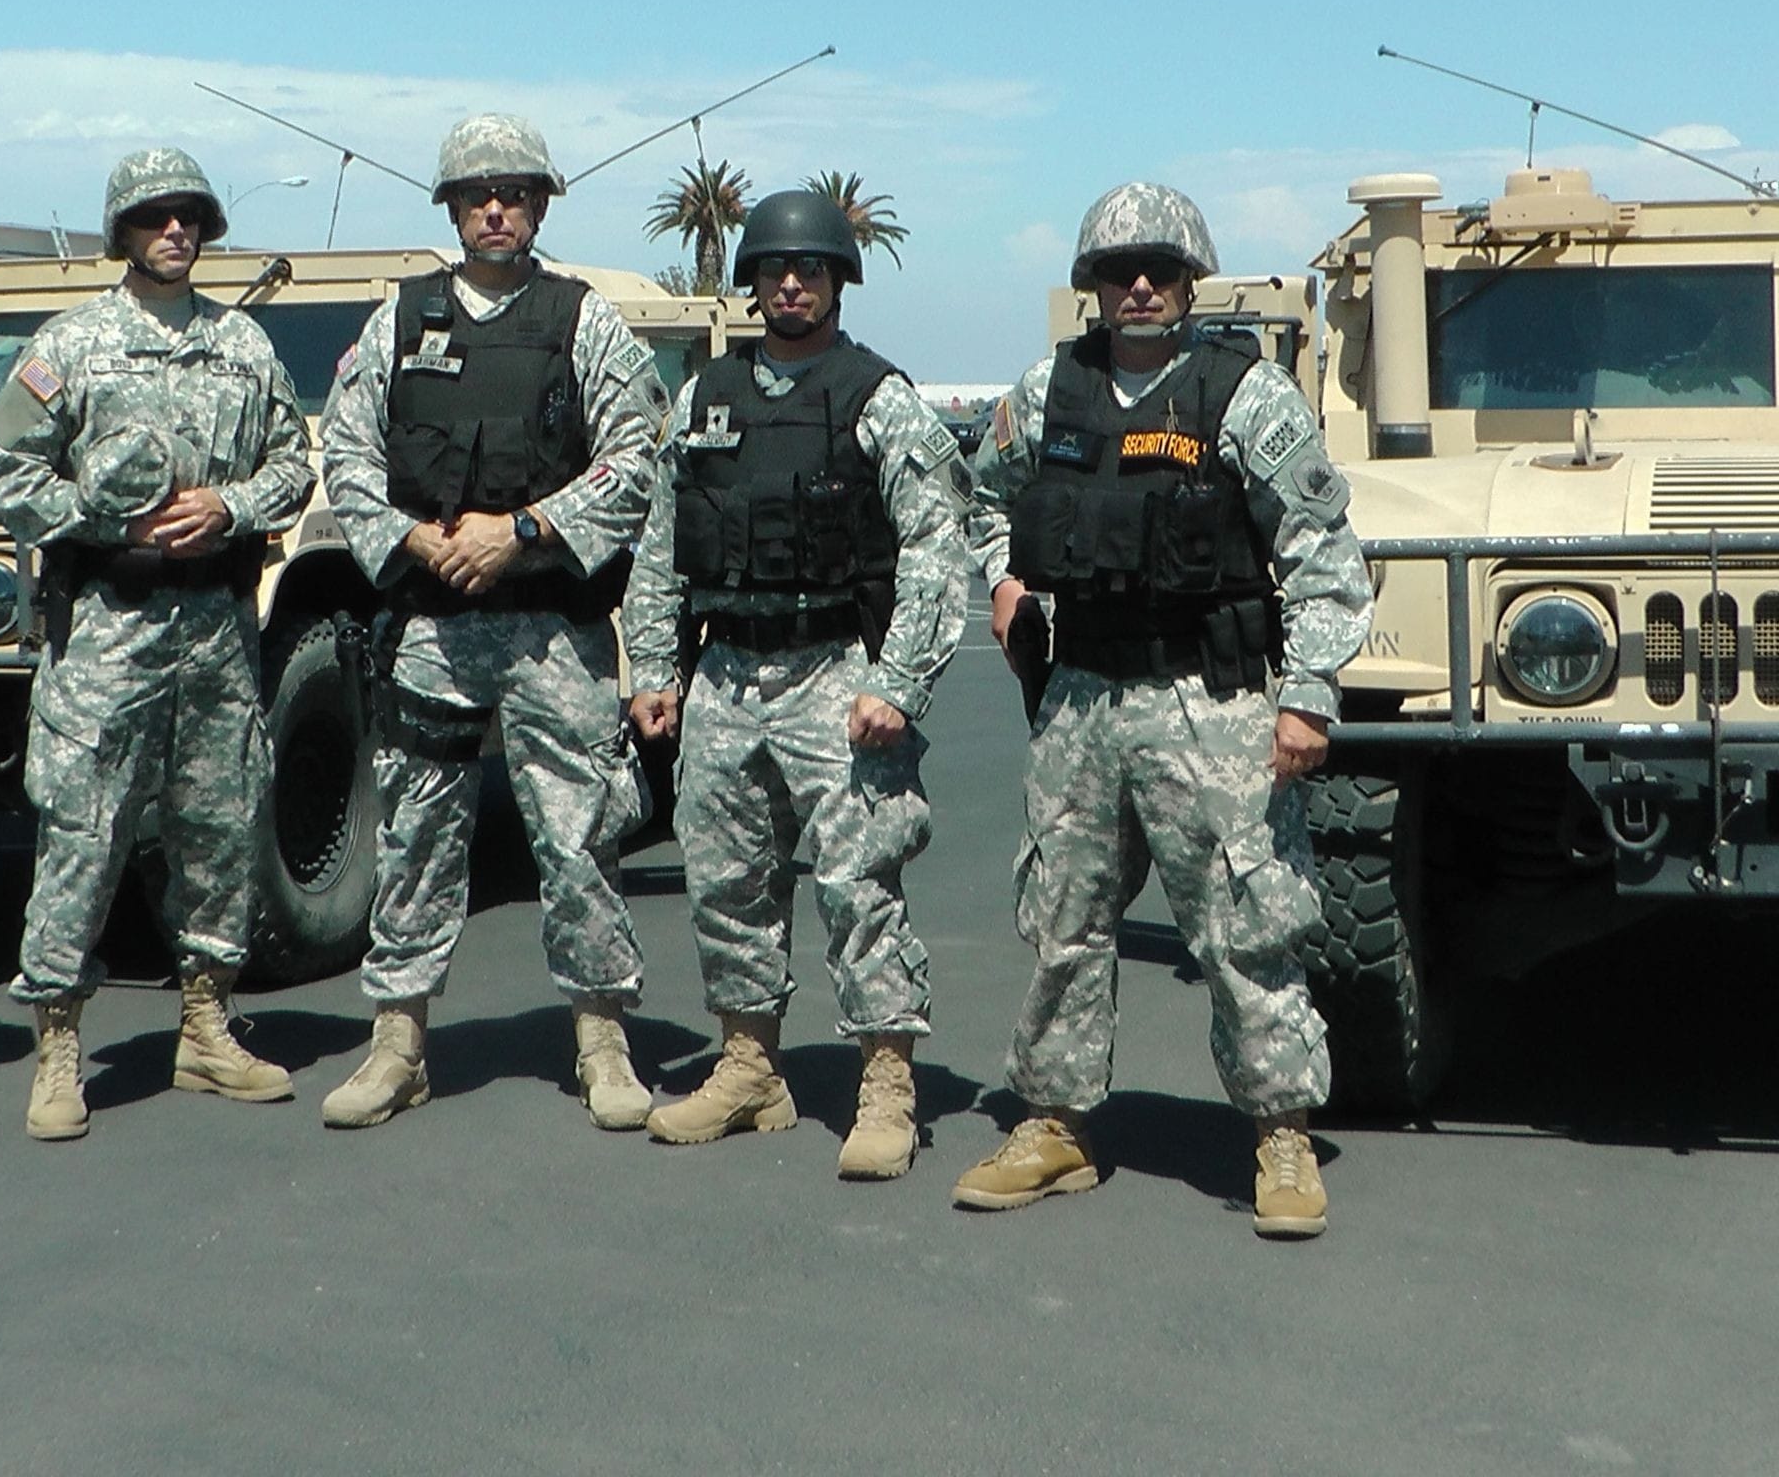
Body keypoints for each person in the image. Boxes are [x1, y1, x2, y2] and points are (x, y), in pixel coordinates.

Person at [955, 181, 1373, 1239]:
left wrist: (1309, 698)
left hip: (1212, 700)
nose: (1138, 286)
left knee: (1245, 925)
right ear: (1091, 287)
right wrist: (1001, 580)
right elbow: (971, 495)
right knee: (1062, 920)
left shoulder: (1245, 396)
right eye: (1116, 271)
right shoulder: (1048, 390)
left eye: (1160, 271)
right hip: (1082, 699)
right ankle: (1055, 1123)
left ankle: (1280, 1133)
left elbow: (1323, 555)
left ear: (1191, 283)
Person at [317, 113, 665, 1130]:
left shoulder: (583, 320)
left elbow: (635, 458)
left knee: (579, 835)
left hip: (552, 629)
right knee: (419, 830)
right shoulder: (399, 320)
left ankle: (603, 1043)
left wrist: (523, 531)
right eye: (478, 195)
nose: (497, 209)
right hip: (437, 623)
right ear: (453, 208)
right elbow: (345, 456)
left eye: (514, 193)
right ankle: (398, 1045)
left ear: (541, 204)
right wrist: (422, 543)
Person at [625, 191, 969, 1181]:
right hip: (727, 672)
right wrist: (656, 668)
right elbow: (660, 540)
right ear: (751, 284)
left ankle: (887, 1084)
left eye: (808, 271)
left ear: (835, 281)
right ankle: (749, 1068)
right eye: (774, 271)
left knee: (860, 885)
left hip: (835, 675)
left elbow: (934, 549)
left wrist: (898, 681)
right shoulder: (704, 397)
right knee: (726, 882)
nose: (789, 285)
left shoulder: (877, 397)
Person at [0, 148, 313, 1141]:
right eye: (155, 217)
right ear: (123, 230)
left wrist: (232, 503)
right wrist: (104, 521)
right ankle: (58, 1046)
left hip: (213, 627)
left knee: (219, 825)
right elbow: (11, 477)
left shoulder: (244, 345)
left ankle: (207, 1026)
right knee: (83, 832)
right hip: (110, 632)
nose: (176, 231)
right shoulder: (70, 346)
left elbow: (295, 463)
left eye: (190, 216)